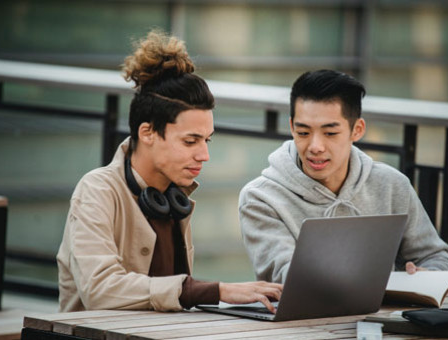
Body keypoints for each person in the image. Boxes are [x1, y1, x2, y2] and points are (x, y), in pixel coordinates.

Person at [57, 30, 282, 313]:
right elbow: (100, 290)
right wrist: (217, 291)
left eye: (206, 140)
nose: (204, 155)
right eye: (190, 141)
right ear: (148, 132)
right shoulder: (96, 191)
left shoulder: (173, 197)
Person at [239, 69, 448, 284]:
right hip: (304, 318)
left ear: (357, 130)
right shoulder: (261, 197)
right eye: (303, 132)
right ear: (291, 127)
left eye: (330, 133)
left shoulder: (391, 184)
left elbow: (437, 258)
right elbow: (286, 277)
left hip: (383, 315)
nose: (315, 147)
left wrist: (425, 275)